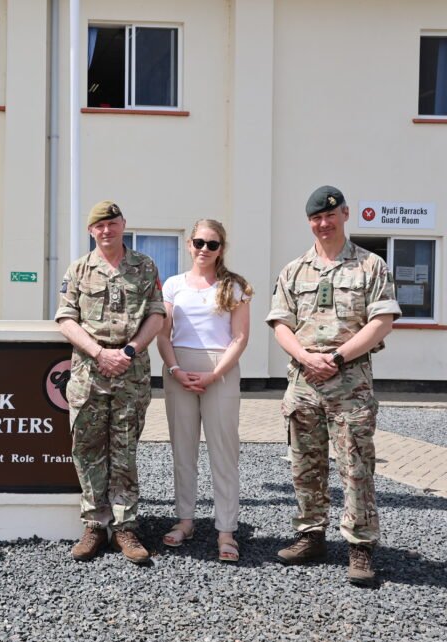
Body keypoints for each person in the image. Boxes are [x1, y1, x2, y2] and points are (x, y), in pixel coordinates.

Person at [267, 185, 400, 587]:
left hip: (350, 383)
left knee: (356, 465)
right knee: (305, 465)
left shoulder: (370, 266)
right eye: (315, 219)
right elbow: (280, 323)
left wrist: (338, 357)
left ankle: (360, 546)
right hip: (304, 381)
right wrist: (307, 358)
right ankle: (310, 535)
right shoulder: (294, 270)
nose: (323, 224)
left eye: (330, 215)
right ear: (309, 222)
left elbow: (383, 321)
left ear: (344, 214)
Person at [55, 200, 166, 564]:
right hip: (90, 373)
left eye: (112, 223)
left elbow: (156, 314)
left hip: (131, 373)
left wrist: (130, 351)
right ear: (91, 231)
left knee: (125, 451)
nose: (107, 230)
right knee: (87, 450)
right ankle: (94, 524)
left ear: (123, 225)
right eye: (99, 226)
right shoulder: (79, 270)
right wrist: (99, 353)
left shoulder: (145, 266)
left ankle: (125, 528)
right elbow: (66, 318)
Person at [156, 219, 252, 562]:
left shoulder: (234, 286)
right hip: (179, 369)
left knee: (224, 452)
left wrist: (214, 375)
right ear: (188, 244)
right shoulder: (172, 285)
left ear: (221, 248)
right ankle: (185, 521)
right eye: (199, 242)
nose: (204, 249)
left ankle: (226, 529)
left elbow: (240, 337)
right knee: (183, 450)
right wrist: (175, 369)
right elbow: (163, 334)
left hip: (220, 372)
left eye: (212, 244)